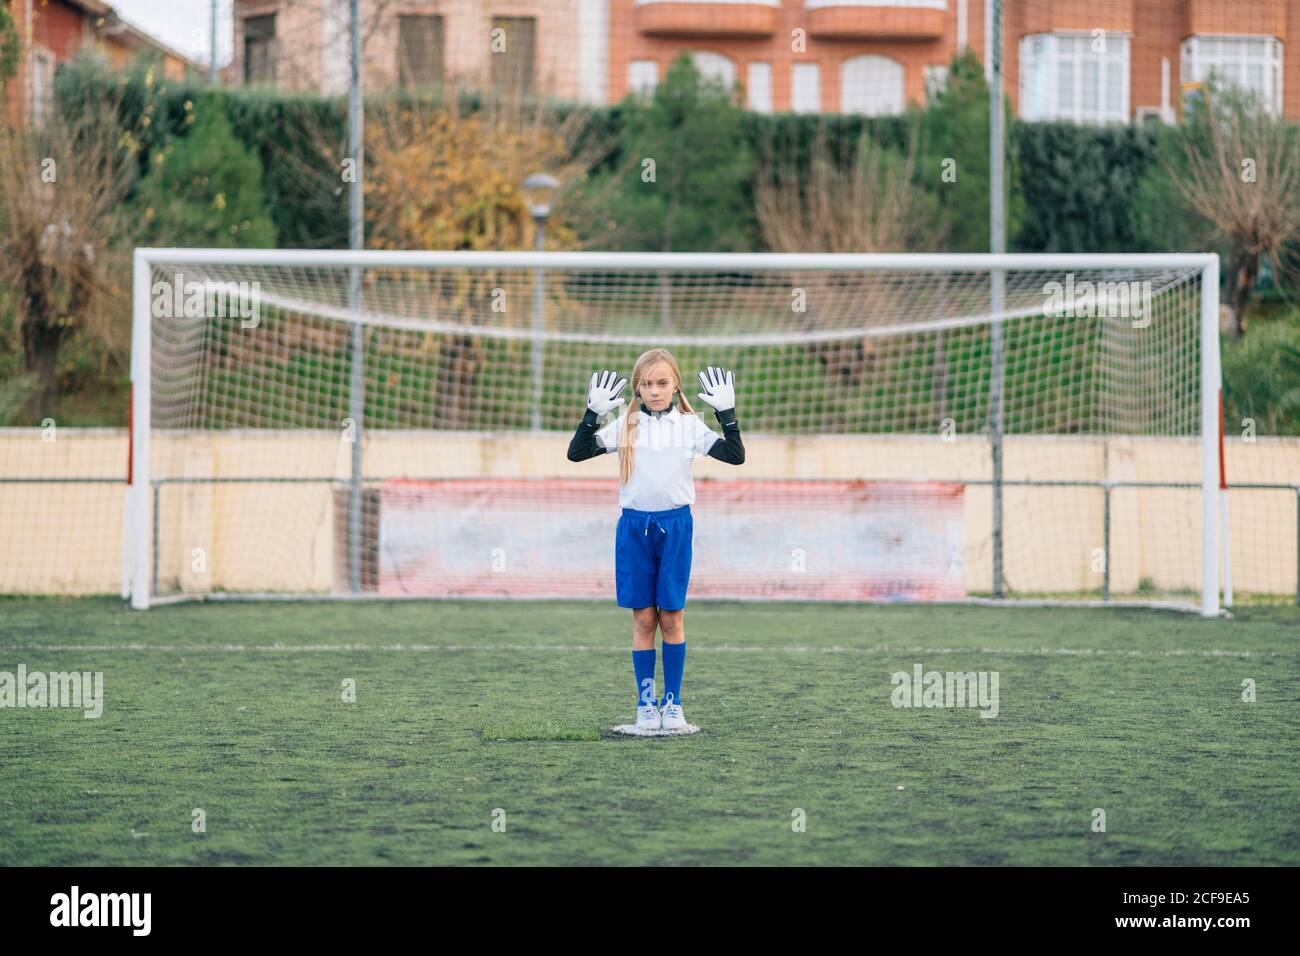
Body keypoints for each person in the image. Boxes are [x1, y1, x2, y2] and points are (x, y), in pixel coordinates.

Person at [567, 348, 745, 731]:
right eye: (646, 384)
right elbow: (576, 452)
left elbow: (735, 455)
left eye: (662, 383)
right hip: (634, 529)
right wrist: (593, 413)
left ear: (675, 384)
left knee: (672, 617)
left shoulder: (688, 426)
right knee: (645, 618)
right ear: (637, 389)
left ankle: (674, 703)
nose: (654, 390)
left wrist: (727, 414)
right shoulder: (625, 425)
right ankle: (646, 704)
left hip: (676, 528)